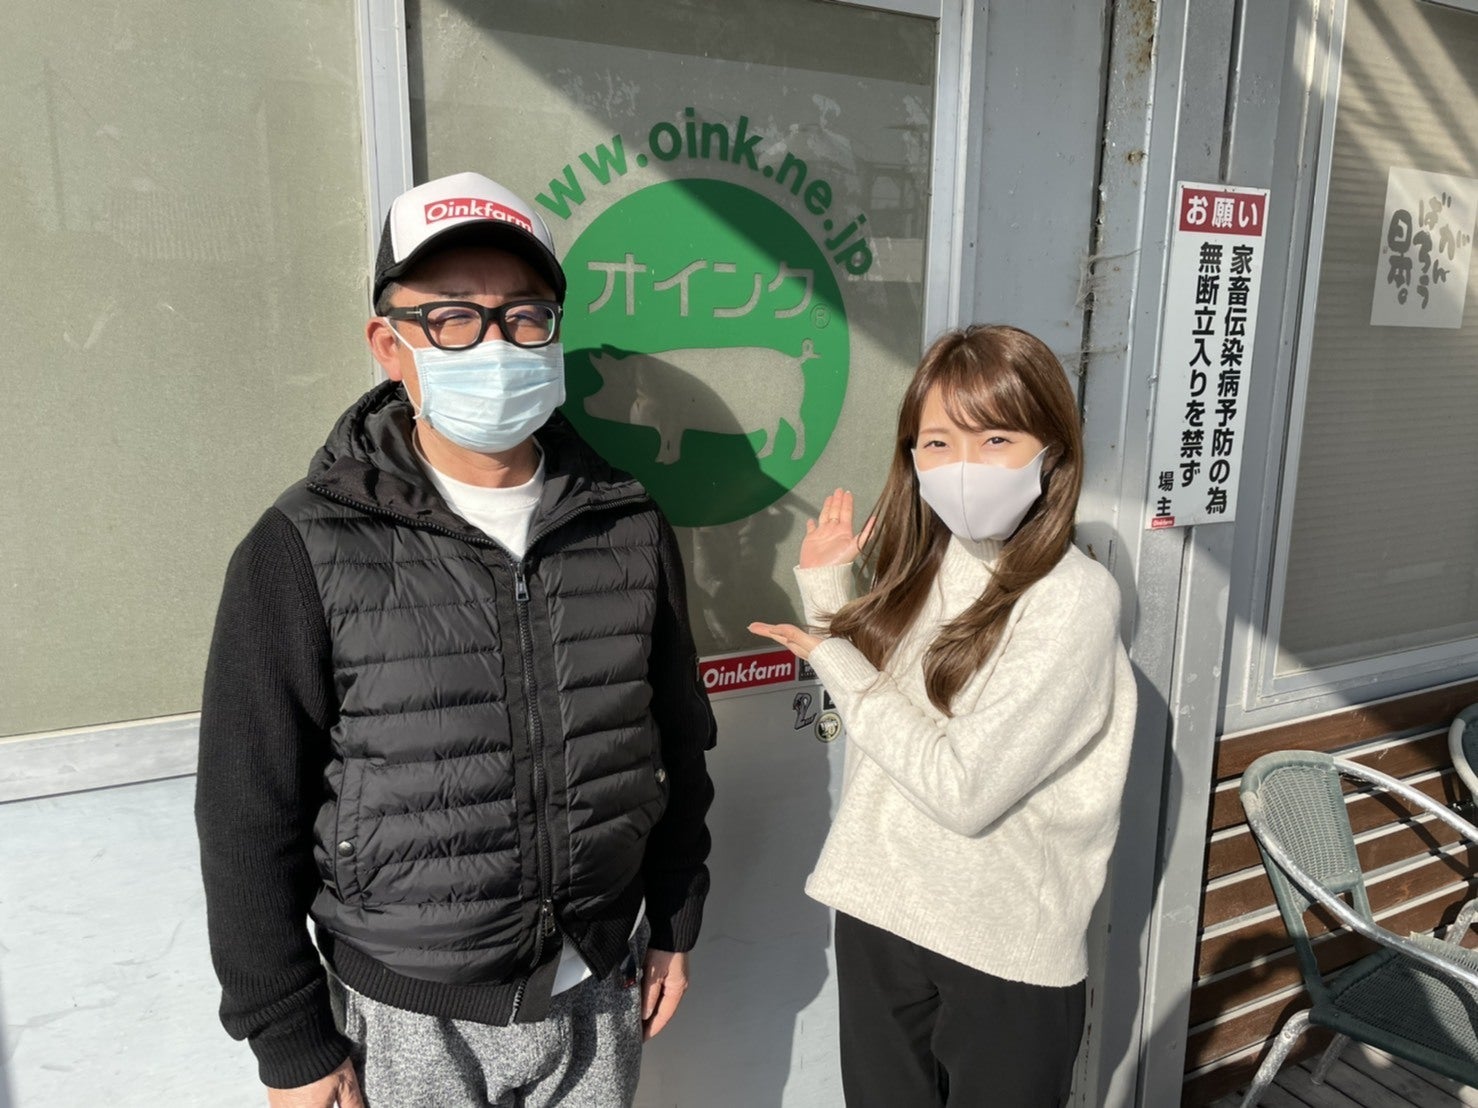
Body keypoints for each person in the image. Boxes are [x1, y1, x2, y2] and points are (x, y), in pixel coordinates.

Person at [196, 171, 717, 1108]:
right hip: (408, 1013)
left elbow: (676, 742)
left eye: (524, 316)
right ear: (388, 345)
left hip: (598, 980)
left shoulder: (627, 522)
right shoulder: (302, 546)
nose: (496, 344)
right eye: (452, 318)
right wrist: (290, 1041)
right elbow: (246, 812)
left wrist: (674, 918)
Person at [750, 324, 1136, 1107]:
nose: (962, 465)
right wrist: (830, 598)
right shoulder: (922, 566)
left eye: (995, 438)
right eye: (937, 443)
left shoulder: (1072, 599)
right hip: (881, 912)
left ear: (1051, 451)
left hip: (1000, 947)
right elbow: (878, 727)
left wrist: (832, 652)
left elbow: (964, 790)